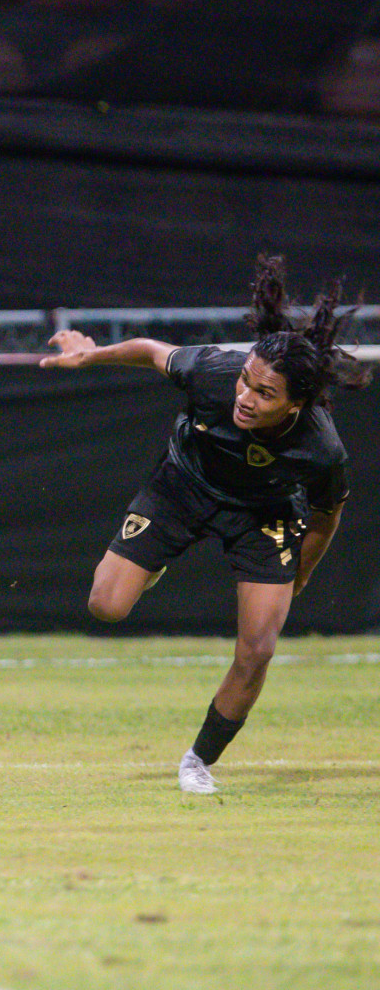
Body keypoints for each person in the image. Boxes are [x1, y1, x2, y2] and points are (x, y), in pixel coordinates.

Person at [41, 254, 371, 794]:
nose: (245, 397)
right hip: (184, 484)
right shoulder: (214, 373)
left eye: (265, 394)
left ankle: (198, 760)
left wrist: (301, 573)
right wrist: (91, 355)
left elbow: (328, 512)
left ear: (297, 404)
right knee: (106, 605)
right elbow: (150, 351)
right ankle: (152, 566)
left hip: (264, 512)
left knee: (258, 649)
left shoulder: (320, 449)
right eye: (247, 382)